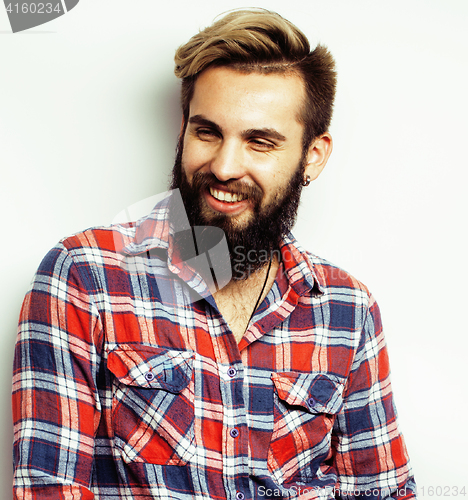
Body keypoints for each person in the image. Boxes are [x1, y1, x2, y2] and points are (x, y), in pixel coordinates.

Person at [12, 9, 417, 500]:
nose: (224, 167)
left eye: (259, 141)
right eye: (207, 133)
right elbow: (49, 491)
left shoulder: (347, 310)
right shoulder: (82, 278)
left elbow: (383, 492)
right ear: (183, 128)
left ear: (313, 155)